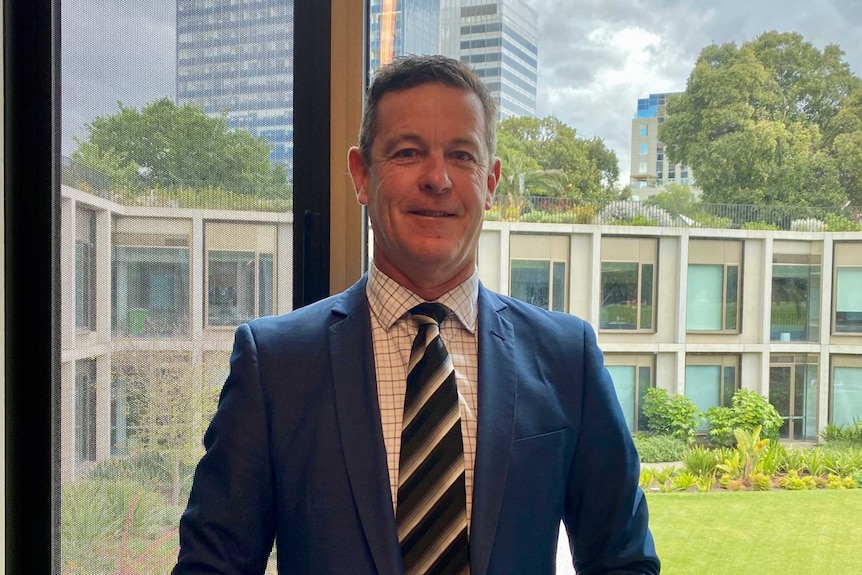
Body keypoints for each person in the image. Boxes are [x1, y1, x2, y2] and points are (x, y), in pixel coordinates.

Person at [173, 54, 660, 575]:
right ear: (362, 175)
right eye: (408, 152)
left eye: (462, 155)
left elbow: (624, 561)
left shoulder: (567, 359)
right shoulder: (275, 365)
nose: (437, 178)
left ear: (491, 182)